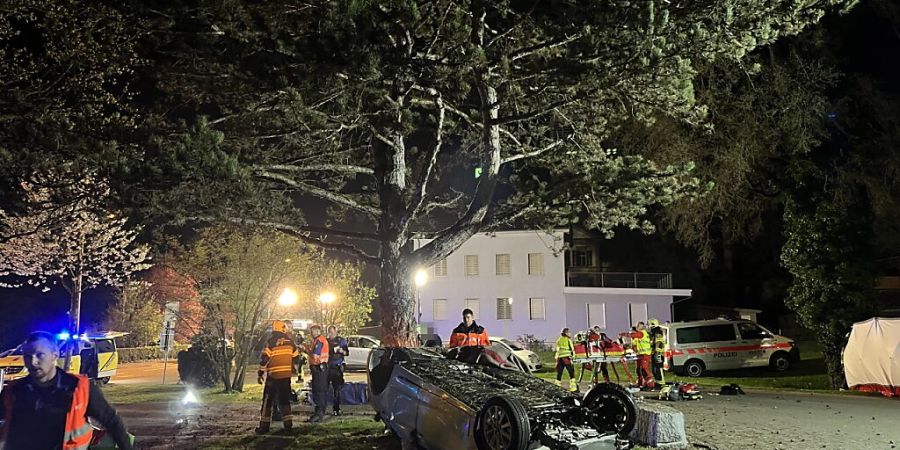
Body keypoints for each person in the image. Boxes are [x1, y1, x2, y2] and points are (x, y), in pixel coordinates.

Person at [0, 331, 133, 450]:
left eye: (40, 355)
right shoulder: (14, 391)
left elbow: (111, 421)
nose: (33, 361)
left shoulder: (79, 388)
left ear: (55, 355)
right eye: (28, 356)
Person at [256, 320, 300, 434]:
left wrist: (260, 373)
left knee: (267, 401)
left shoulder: (271, 342)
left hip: (273, 376)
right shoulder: (290, 342)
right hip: (286, 376)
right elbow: (296, 357)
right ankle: (288, 427)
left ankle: (264, 426)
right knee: (285, 401)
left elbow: (264, 359)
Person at [305, 324, 330, 423]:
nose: (311, 334)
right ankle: (320, 412)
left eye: (313, 331)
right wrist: (306, 348)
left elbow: (315, 356)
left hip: (319, 369)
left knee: (319, 390)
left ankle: (319, 413)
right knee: (320, 390)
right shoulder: (318, 340)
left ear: (318, 331)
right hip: (320, 369)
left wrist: (308, 351)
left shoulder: (319, 341)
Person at [620, 321, 655, 390]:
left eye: (638, 326)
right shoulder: (642, 334)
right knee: (640, 369)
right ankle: (643, 383)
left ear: (641, 327)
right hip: (641, 354)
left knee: (645, 370)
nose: (637, 328)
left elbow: (633, 335)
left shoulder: (642, 333)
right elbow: (635, 344)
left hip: (645, 354)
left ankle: (651, 385)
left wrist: (623, 334)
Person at [326, 325, 349, 416]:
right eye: (329, 332)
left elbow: (347, 353)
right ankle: (322, 408)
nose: (330, 334)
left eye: (332, 332)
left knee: (337, 389)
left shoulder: (341, 340)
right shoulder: (326, 341)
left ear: (336, 332)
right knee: (325, 388)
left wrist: (341, 351)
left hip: (337, 367)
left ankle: (336, 408)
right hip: (327, 367)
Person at [554, 328, 578, 392]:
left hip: (559, 359)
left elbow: (557, 349)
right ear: (566, 333)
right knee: (571, 372)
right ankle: (573, 387)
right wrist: (573, 356)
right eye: (569, 332)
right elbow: (572, 349)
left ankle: (557, 386)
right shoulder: (568, 340)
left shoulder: (558, 340)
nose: (570, 333)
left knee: (559, 373)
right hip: (566, 358)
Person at [648, 318, 666, 383]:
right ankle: (658, 381)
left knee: (657, 368)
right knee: (656, 369)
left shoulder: (657, 333)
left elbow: (657, 344)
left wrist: (656, 351)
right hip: (656, 353)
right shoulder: (655, 333)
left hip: (658, 353)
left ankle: (660, 381)